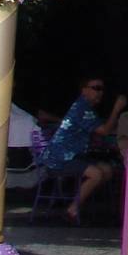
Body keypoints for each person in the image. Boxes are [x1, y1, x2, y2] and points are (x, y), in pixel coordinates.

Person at [41, 75, 110, 222]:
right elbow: (104, 130)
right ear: (84, 90)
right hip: (58, 159)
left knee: (107, 170)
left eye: (102, 89)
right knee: (96, 174)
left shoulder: (88, 108)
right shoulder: (82, 108)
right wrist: (117, 109)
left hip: (73, 156)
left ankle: (80, 199)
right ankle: (72, 209)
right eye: (95, 88)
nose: (100, 92)